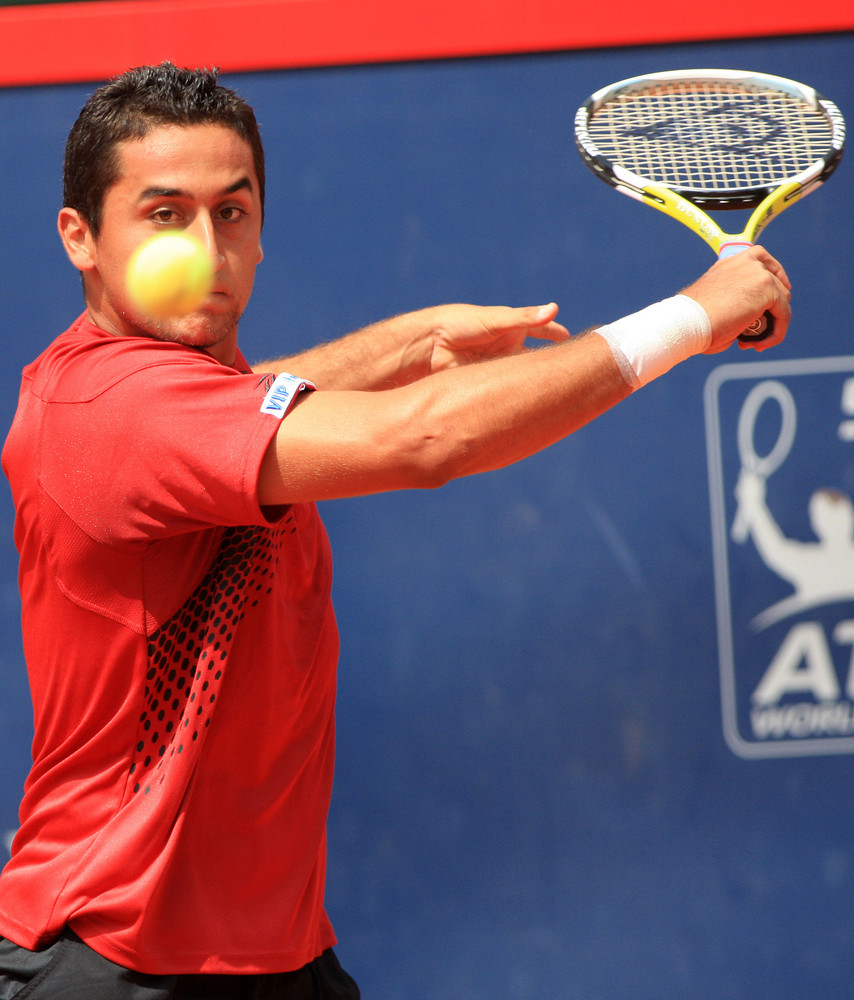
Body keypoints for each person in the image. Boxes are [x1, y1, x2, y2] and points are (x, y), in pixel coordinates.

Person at [0, 62, 791, 999]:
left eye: (233, 212)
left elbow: (253, 402)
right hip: (112, 961)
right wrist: (695, 315)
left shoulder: (177, 401)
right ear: (80, 239)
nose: (207, 247)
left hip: (276, 959)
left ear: (260, 235)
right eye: (165, 214)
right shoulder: (109, 405)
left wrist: (411, 342)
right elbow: (425, 436)